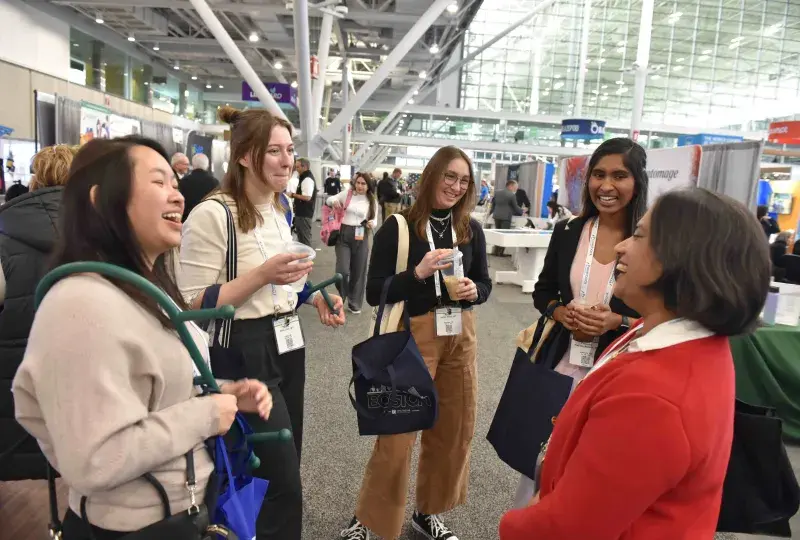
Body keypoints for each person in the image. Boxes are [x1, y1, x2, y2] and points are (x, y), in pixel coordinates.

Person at [12, 137, 274, 539]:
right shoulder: (81, 304)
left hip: (176, 514)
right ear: (101, 201)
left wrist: (221, 392)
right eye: (159, 182)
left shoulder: (138, 290)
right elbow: (95, 459)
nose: (178, 196)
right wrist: (205, 415)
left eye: (175, 183)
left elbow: (146, 393)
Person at [500, 187, 771, 539]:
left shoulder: (654, 397)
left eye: (639, 236)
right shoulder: (674, 338)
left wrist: (518, 522)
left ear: (680, 257)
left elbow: (568, 529)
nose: (621, 247)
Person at [179, 106, 345, 540]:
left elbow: (284, 279)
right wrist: (261, 276)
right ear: (243, 156)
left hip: (287, 342)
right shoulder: (213, 214)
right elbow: (191, 303)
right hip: (242, 349)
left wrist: (314, 295)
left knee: (280, 464)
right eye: (274, 151)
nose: (287, 161)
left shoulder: (278, 206)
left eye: (290, 150)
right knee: (278, 479)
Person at [342, 146, 492, 540]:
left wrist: (476, 291)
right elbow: (374, 292)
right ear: (432, 176)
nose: (456, 187)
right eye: (449, 176)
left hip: (461, 335)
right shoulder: (399, 227)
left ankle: (428, 513)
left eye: (464, 181)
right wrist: (419, 274)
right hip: (413, 336)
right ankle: (368, 520)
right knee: (397, 435)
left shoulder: (470, 229)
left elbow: (485, 282)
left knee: (453, 431)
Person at [513, 137, 647, 508]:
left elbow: (664, 314)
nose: (606, 185)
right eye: (599, 175)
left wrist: (617, 321)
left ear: (637, 182)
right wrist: (561, 313)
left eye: (619, 176)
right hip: (564, 363)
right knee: (543, 459)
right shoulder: (570, 230)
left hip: (617, 370)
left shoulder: (651, 242)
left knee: (597, 470)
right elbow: (543, 291)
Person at [0, 144, 74, 482]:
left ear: (34, 182)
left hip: (14, 413)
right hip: (85, 418)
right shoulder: (111, 236)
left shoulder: (4, 233)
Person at [326, 172, 378, 314]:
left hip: (361, 235)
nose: (360, 186)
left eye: (363, 184)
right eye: (358, 183)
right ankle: (343, 295)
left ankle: (354, 302)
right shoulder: (347, 194)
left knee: (358, 272)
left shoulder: (372, 200)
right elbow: (330, 199)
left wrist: (371, 223)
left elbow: (375, 221)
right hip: (343, 234)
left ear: (368, 186)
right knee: (342, 271)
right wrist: (333, 201)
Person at [179, 152, 219, 222]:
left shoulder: (183, 182)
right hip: (208, 220)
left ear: (193, 165)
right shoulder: (215, 183)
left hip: (187, 221)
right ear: (207, 165)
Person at [490, 180, 525, 255]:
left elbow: (493, 204)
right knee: (504, 235)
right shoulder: (511, 195)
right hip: (506, 217)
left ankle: (496, 252)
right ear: (510, 186)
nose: (516, 189)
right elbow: (515, 207)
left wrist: (491, 213)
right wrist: (522, 212)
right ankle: (500, 253)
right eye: (515, 187)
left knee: (497, 234)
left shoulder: (497, 192)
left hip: (496, 216)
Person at [289, 157, 316, 247]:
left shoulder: (307, 179)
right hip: (301, 214)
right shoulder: (303, 178)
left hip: (304, 215)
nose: (296, 169)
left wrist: (293, 195)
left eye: (298, 167)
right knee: (302, 238)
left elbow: (307, 197)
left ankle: (308, 255)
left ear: (304, 167)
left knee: (305, 240)